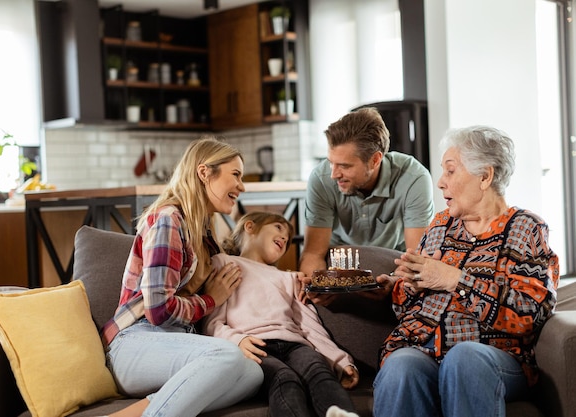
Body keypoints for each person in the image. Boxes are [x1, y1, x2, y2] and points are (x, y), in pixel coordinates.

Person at [369, 126, 560, 417]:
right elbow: (411, 300)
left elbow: (530, 313)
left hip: (493, 357)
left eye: (450, 171)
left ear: (485, 176)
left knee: (464, 358)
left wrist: (454, 279)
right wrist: (405, 287)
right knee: (401, 365)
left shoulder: (526, 228)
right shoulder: (441, 225)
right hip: (426, 351)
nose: (440, 183)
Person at [100, 137, 263, 417]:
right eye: (235, 175)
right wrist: (211, 300)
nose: (242, 186)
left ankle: (137, 412)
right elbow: (158, 310)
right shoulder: (169, 220)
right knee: (226, 355)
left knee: (252, 374)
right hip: (135, 343)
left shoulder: (201, 230)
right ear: (204, 173)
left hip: (174, 346)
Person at [203, 211, 360, 417]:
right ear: (249, 227)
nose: (285, 237)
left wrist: (340, 361)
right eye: (278, 227)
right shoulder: (225, 263)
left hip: (295, 345)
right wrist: (237, 340)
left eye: (287, 238)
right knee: (285, 379)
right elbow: (211, 322)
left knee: (318, 370)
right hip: (254, 347)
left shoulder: (288, 278)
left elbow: (310, 326)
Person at [299, 107, 435, 281]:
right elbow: (313, 254)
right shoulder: (321, 178)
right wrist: (317, 288)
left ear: (375, 160)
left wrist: (390, 284)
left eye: (345, 166)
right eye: (331, 163)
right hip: (338, 271)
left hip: (392, 270)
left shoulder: (414, 178)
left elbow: (417, 259)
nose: (334, 174)